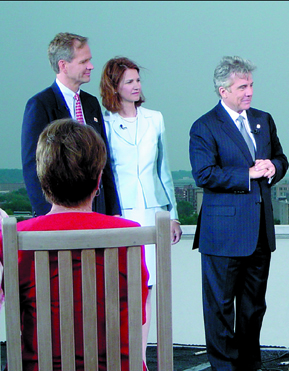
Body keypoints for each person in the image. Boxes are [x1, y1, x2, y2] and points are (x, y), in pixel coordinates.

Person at [1, 119, 149, 370]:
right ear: (99, 179)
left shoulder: (16, 238)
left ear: (42, 177)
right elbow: (140, 314)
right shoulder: (129, 235)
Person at [189, 56, 289, 371]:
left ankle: (249, 364)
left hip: (259, 232)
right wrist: (249, 173)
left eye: (251, 85)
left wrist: (274, 167)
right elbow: (204, 175)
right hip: (223, 235)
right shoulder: (204, 126)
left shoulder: (264, 120)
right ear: (223, 91)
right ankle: (223, 367)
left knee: (253, 307)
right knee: (219, 308)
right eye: (242, 86)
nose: (249, 92)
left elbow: (281, 158)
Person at [99, 56, 182, 364]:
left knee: (147, 286)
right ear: (114, 87)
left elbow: (164, 170)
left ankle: (141, 358)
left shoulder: (155, 119)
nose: (136, 86)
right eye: (129, 81)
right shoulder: (102, 121)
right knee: (121, 285)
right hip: (118, 215)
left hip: (151, 213)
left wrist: (172, 214)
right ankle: (119, 355)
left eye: (138, 80)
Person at [21, 32, 120, 217]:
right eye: (84, 62)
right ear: (63, 65)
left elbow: (104, 163)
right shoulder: (40, 105)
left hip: (96, 214)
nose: (91, 66)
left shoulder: (91, 104)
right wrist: (47, 216)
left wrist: (113, 212)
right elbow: (32, 166)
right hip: (56, 217)